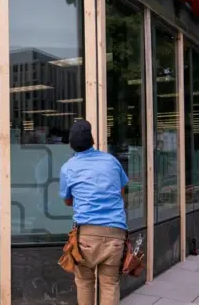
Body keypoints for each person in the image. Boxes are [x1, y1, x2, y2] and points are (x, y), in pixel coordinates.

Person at [59, 120, 128, 305]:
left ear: (72, 144)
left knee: (84, 283)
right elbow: (121, 192)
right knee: (110, 284)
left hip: (86, 236)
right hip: (115, 233)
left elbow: (67, 201)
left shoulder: (68, 167)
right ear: (93, 140)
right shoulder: (111, 161)